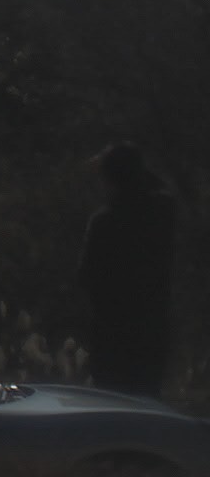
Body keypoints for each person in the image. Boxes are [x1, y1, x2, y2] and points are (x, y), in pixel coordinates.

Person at [81, 140, 176, 397]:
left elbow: (90, 279)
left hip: (113, 335)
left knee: (113, 403)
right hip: (152, 329)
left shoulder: (105, 222)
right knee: (147, 403)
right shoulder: (162, 213)